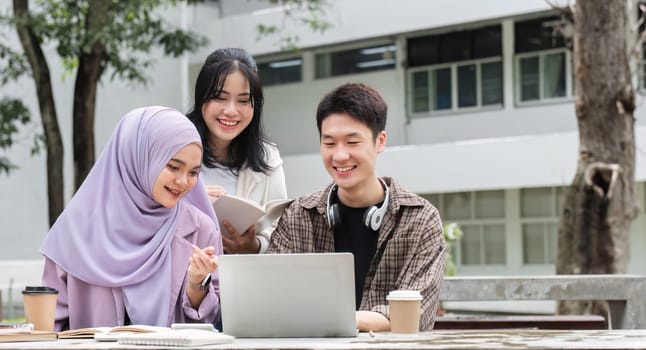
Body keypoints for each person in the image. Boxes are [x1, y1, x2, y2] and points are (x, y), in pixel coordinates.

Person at [267, 83, 446, 332]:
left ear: (379, 141)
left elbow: (415, 315)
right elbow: (271, 298)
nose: (339, 156)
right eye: (329, 144)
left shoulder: (421, 220)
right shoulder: (299, 215)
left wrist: (333, 319)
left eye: (352, 142)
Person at [40, 106, 222, 331]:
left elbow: (211, 326)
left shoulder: (201, 230)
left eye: (194, 172)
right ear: (138, 158)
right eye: (173, 167)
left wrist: (197, 284)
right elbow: (48, 325)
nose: (183, 181)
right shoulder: (75, 231)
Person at [186, 48, 288, 254]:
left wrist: (254, 246)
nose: (231, 111)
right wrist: (189, 199)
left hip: (240, 279)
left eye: (243, 100)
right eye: (220, 97)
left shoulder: (268, 158)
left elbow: (282, 233)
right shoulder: (174, 145)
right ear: (201, 96)